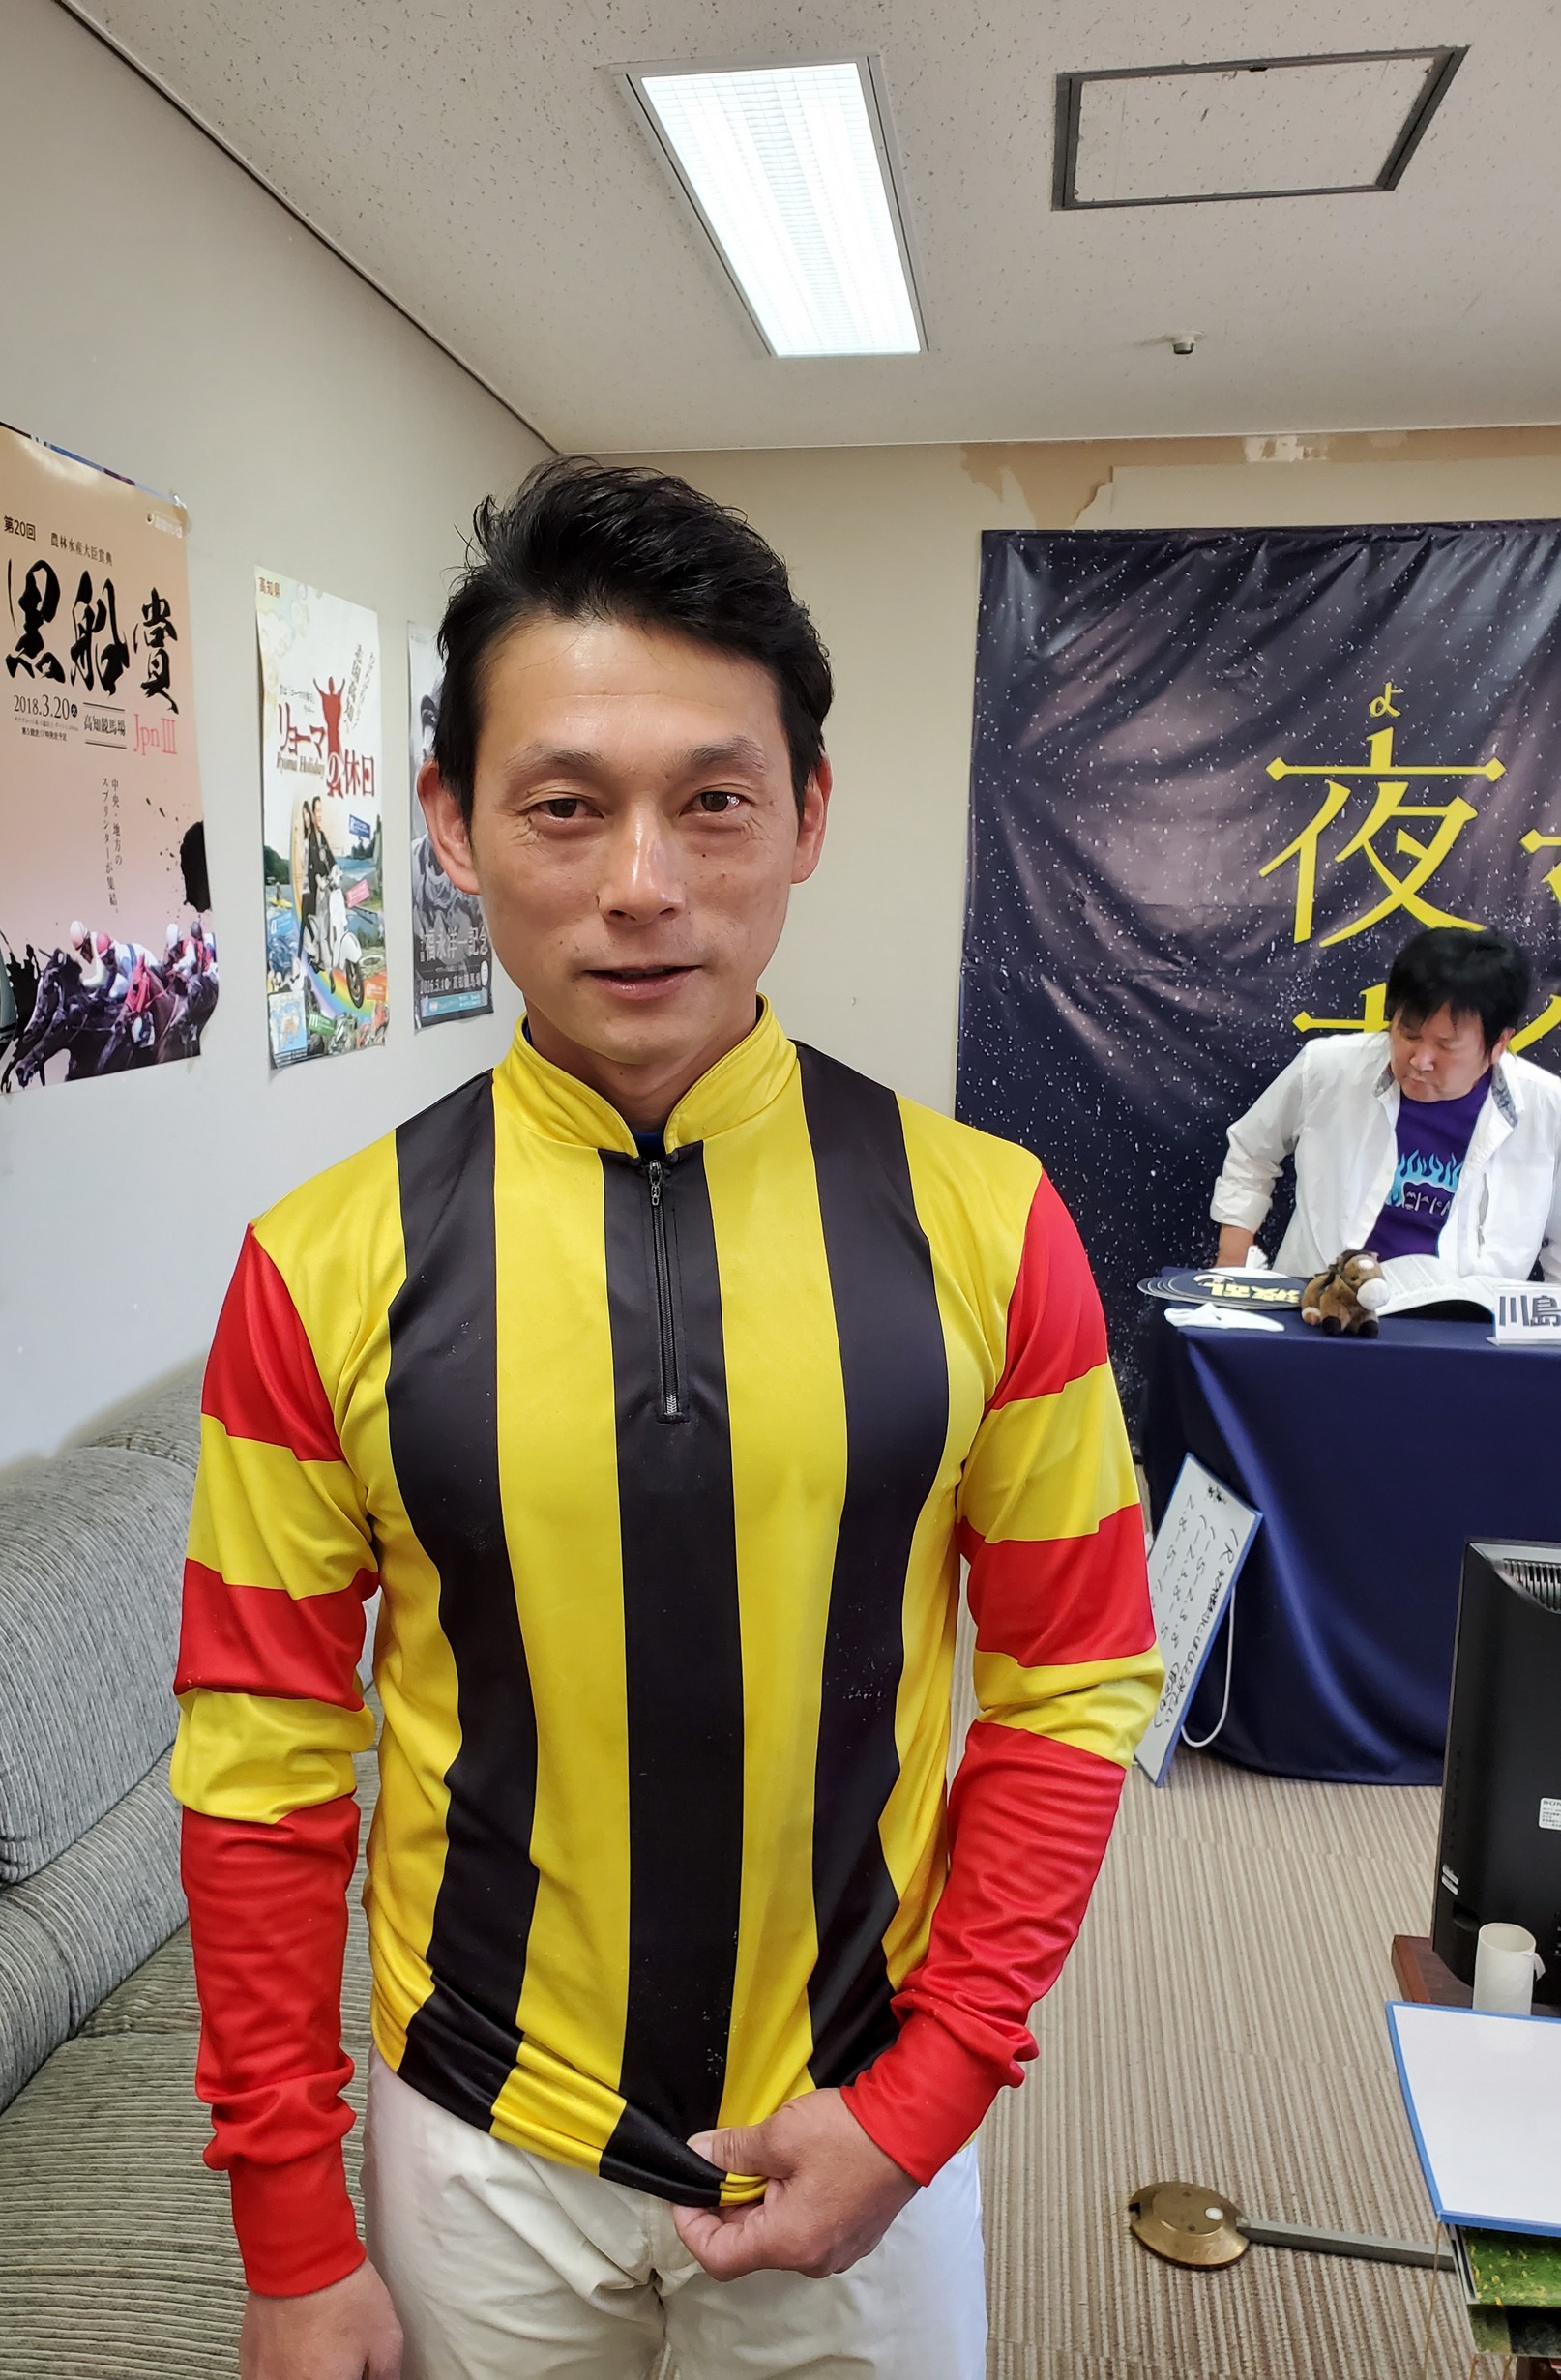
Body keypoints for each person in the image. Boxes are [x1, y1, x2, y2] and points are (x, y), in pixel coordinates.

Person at [171, 459, 1163, 2380]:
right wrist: (290, 2235)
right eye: (563, 804)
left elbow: (1072, 1682)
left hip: (857, 2108)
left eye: (712, 800)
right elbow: (261, 1760)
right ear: (452, 824)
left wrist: (931, 2088)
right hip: (479, 2136)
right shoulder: (318, 1268)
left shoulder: (988, 1224)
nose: (641, 883)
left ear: (806, 814)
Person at [1211, 926, 1561, 1279]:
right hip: (1320, 1301)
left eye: (1446, 1046)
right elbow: (1252, 1152)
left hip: (1466, 1311)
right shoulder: (1327, 1068)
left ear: (1499, 1044)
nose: (1420, 1060)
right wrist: (1232, 1265)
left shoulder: (1547, 1109)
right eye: (1409, 1033)